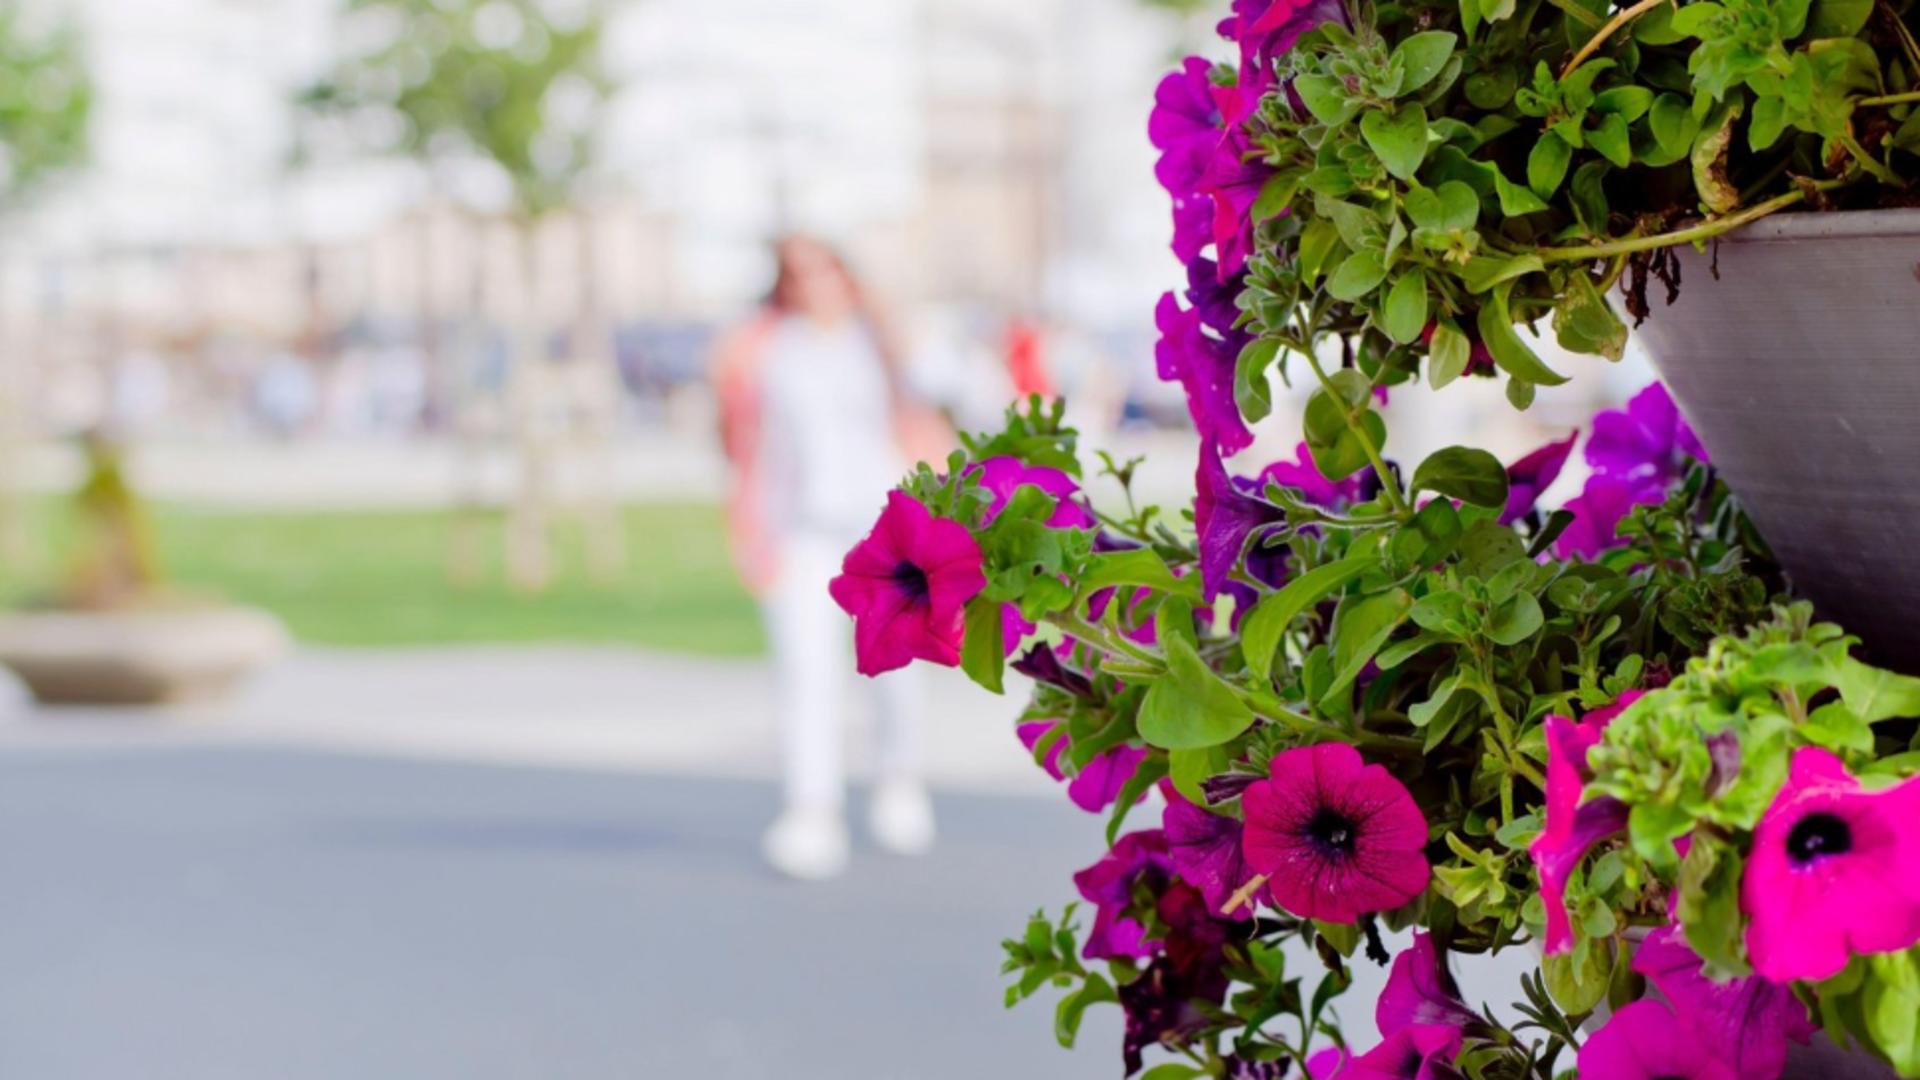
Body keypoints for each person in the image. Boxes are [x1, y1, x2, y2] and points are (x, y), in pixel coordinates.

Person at [712, 235, 943, 880]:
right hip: (802, 533)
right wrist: (752, 530)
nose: (812, 286)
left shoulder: (878, 342)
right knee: (805, 673)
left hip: (883, 536)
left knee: (896, 668)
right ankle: (811, 809)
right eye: (797, 275)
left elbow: (920, 424)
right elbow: (742, 443)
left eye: (823, 272)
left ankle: (898, 777)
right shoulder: (765, 351)